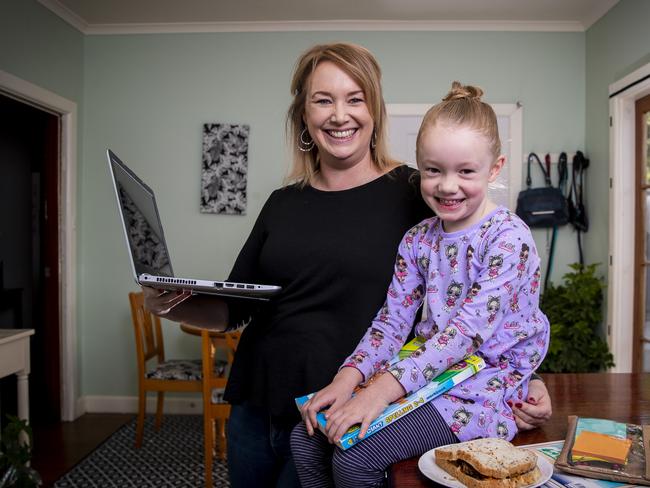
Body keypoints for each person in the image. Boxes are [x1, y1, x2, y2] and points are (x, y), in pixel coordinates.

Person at [142, 45, 551, 488]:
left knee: (352, 465)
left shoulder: (420, 192)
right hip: (264, 400)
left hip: (380, 398)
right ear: (303, 113)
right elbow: (238, 306)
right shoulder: (283, 203)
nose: (340, 114)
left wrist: (522, 376)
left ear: (374, 110)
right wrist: (171, 304)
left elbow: (485, 318)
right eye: (323, 99)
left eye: (354, 98)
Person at [291, 81, 551, 488]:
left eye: (466, 171)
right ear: (419, 166)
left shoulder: (507, 238)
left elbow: (465, 334)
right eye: (433, 170)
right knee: (305, 439)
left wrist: (376, 395)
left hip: (479, 390)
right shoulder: (418, 239)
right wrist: (349, 380)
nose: (448, 186)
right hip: (424, 373)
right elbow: (391, 322)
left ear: (495, 168)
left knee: (354, 459)